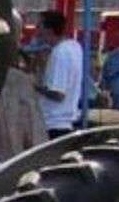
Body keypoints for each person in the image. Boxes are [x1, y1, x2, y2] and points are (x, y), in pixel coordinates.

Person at [34, 10, 86, 139]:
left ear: (49, 30)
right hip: (67, 120)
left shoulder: (60, 53)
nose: (36, 30)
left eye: (39, 26)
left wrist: (35, 87)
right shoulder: (75, 48)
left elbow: (58, 93)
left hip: (53, 123)